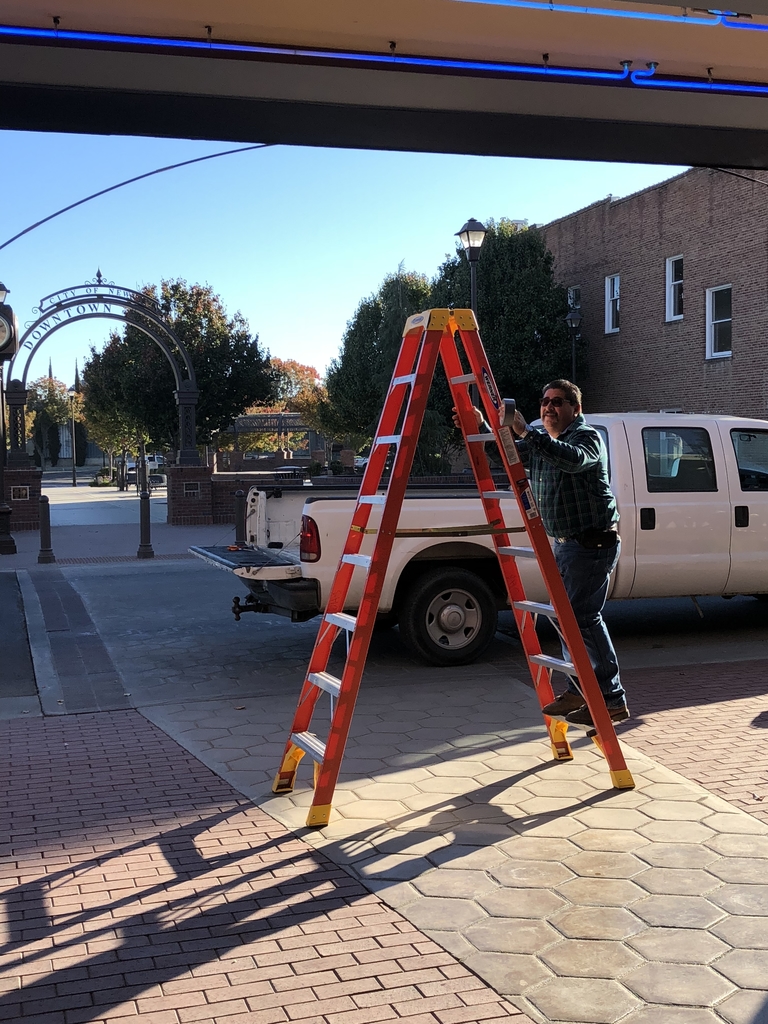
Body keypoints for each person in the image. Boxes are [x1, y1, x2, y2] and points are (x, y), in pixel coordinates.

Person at [454, 379, 627, 727]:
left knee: (581, 617)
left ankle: (611, 698)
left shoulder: (585, 438)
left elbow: (573, 461)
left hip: (592, 544)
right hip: (567, 545)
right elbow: (508, 455)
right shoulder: (546, 443)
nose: (549, 408)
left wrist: (526, 432)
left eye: (558, 402)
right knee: (567, 617)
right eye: (545, 402)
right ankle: (580, 689)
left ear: (575, 409)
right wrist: (482, 427)